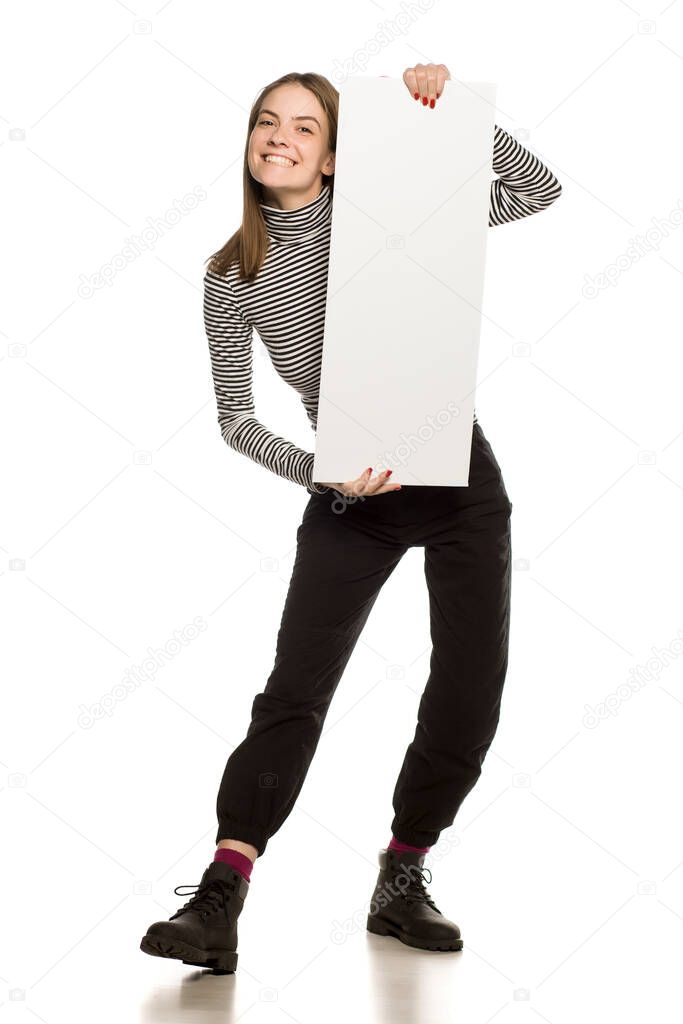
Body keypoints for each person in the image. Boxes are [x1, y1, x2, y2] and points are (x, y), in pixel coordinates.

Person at [140, 63, 562, 974]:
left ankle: (403, 873)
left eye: (302, 126)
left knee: (470, 680)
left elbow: (535, 187)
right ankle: (223, 892)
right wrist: (320, 472)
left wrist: (449, 118)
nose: (278, 136)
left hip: (456, 480)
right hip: (347, 498)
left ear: (333, 157)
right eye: (265, 121)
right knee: (295, 689)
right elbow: (235, 419)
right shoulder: (231, 272)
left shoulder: (389, 220)